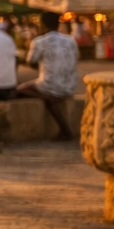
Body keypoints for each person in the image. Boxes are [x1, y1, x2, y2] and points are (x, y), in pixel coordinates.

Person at [19, 10, 79, 140]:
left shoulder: (39, 41)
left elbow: (31, 62)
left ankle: (49, 100)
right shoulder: (71, 40)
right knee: (39, 85)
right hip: (70, 86)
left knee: (19, 90)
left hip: (50, 86)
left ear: (42, 25)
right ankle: (50, 100)